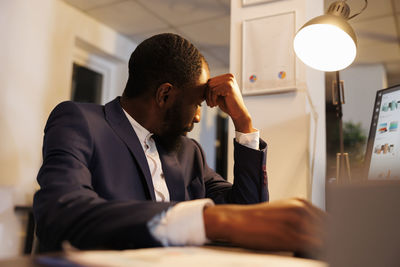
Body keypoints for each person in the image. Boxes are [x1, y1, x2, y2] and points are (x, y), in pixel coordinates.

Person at [33, 33, 324, 254]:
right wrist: (212, 221)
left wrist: (244, 124)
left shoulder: (188, 152)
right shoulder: (81, 121)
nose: (199, 116)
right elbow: (61, 213)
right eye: (197, 103)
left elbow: (250, 212)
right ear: (165, 95)